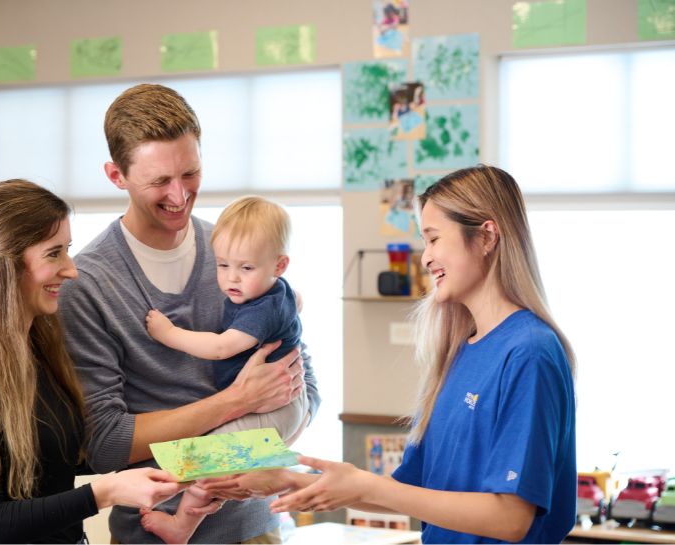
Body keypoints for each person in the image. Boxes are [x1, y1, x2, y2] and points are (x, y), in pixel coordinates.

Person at [202, 165, 577, 544]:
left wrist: (366, 485)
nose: (426, 258)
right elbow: (411, 491)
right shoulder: (461, 352)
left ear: (486, 236)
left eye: (434, 239)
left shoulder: (530, 352)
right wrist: (288, 480)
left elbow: (511, 518)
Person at [58, 83, 320, 544]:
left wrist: (249, 456)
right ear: (116, 175)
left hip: (255, 529)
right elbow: (106, 444)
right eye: (160, 181)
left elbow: (305, 387)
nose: (179, 195)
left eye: (190, 173)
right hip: (148, 535)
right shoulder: (87, 284)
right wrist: (236, 402)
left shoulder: (239, 251)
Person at [0, 180, 182, 544]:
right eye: (54, 254)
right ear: (0, 265)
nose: (71, 270)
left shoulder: (40, 343)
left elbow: (56, 459)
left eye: (67, 250)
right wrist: (107, 492)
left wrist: (183, 465)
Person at [142, 195, 310, 543]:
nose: (231, 278)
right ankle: (207, 495)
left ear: (279, 265)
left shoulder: (261, 309)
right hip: (283, 404)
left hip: (276, 408)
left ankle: (180, 527)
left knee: (204, 458)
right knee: (216, 466)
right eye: (222, 265)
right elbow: (297, 300)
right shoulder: (275, 291)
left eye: (246, 268)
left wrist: (169, 333)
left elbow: (221, 347)